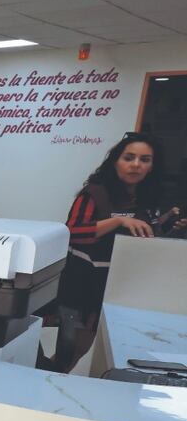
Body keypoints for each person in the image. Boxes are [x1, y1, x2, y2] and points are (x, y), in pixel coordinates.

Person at [55, 132, 187, 371]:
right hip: (81, 283)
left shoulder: (148, 197)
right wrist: (117, 222)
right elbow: (72, 232)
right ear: (116, 160)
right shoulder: (94, 193)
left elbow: (148, 237)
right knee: (70, 351)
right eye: (129, 157)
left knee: (104, 352)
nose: (136, 165)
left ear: (152, 166)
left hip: (122, 285)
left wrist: (168, 225)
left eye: (145, 160)